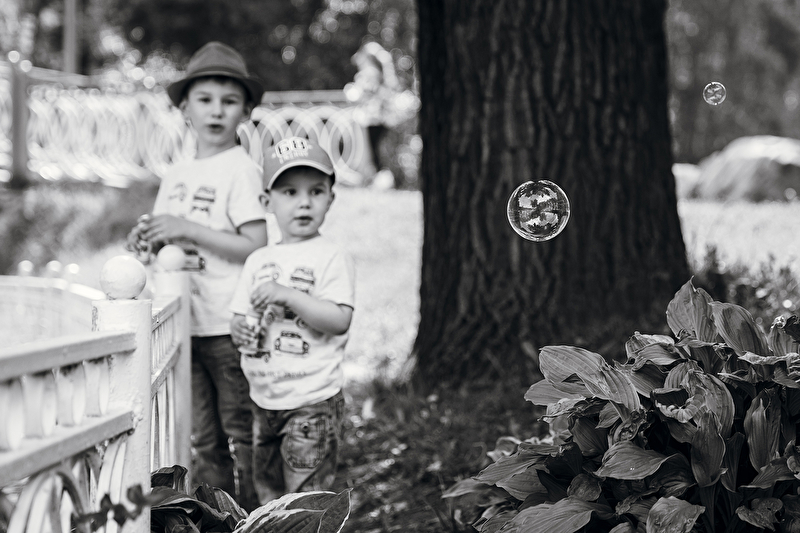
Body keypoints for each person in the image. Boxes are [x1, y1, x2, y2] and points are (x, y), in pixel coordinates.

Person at [130, 41, 266, 511]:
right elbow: (166, 242)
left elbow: (255, 243)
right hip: (183, 327)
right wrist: (147, 241)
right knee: (204, 438)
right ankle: (218, 517)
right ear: (185, 108)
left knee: (241, 432)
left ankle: (260, 515)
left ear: (245, 110)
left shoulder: (241, 170)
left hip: (227, 323)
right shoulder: (177, 175)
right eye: (204, 99)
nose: (216, 110)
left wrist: (187, 227)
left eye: (229, 101)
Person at [229, 136, 356, 504]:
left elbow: (339, 319)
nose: (304, 202)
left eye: (316, 191)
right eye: (289, 192)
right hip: (263, 399)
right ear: (267, 202)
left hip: (311, 401)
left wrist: (287, 295)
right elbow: (240, 318)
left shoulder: (331, 256)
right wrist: (240, 331)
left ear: (330, 198)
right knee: (268, 497)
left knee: (305, 502)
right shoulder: (258, 260)